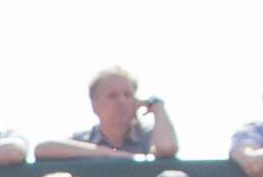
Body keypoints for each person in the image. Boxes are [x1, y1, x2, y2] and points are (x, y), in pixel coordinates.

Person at [37, 65, 177, 163]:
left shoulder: (147, 136)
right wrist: (105, 153)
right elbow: (42, 149)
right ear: (94, 105)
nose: (122, 101)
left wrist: (158, 108)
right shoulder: (85, 141)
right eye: (113, 96)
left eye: (128, 95)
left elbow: (167, 148)